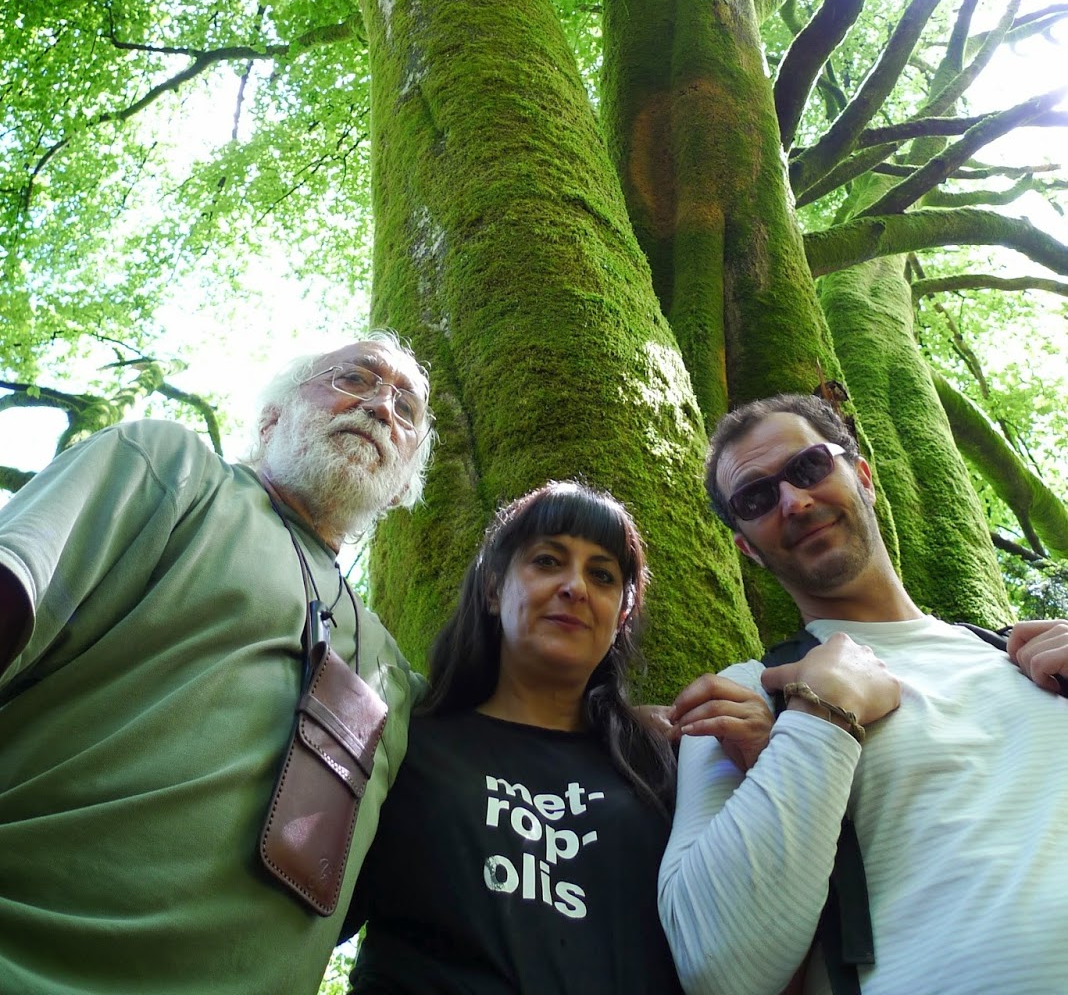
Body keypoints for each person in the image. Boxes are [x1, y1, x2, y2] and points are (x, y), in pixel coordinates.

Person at [0, 330, 433, 995]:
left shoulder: (398, 683)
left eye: (407, 409)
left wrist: (626, 725)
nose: (380, 407)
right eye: (355, 379)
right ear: (271, 418)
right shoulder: (173, 472)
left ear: (406, 483)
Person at [658, 392, 1068, 995]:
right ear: (747, 547)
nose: (793, 502)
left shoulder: (1026, 658)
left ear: (863, 475)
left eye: (808, 468)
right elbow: (716, 965)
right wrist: (824, 714)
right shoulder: (750, 695)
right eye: (756, 498)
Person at [344, 480, 771, 995]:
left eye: (603, 575)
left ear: (622, 616)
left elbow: (745, 925)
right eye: (547, 561)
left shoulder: (666, 765)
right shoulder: (404, 742)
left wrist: (768, 765)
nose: (576, 587)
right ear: (494, 588)